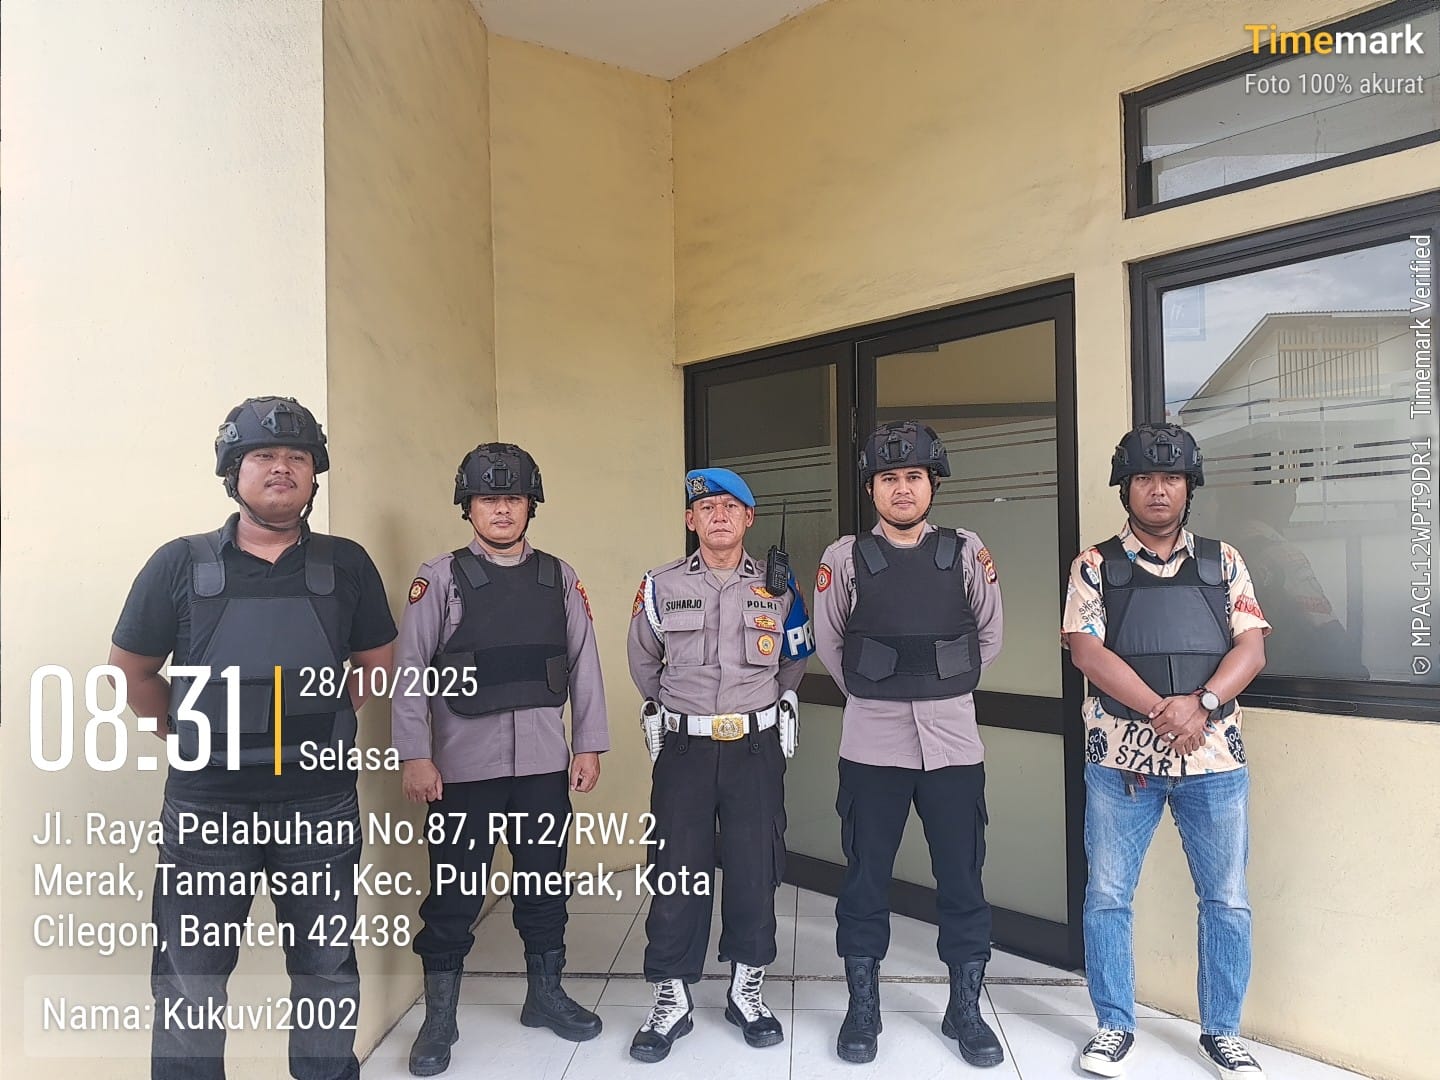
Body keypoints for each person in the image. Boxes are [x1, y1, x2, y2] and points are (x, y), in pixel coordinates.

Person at [108, 395, 397, 1080]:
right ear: (233, 471)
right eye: (263, 455)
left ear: (315, 475)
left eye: (297, 456)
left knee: (326, 969)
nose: (281, 467)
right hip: (206, 808)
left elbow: (375, 666)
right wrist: (191, 731)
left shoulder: (347, 564)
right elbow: (132, 671)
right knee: (190, 978)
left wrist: (315, 723)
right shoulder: (179, 564)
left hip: (319, 805)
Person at [393, 442, 610, 1077]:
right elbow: (410, 672)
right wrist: (415, 755)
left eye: (513, 498)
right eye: (488, 499)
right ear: (468, 507)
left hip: (543, 765)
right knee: (455, 893)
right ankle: (440, 1018)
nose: (502, 509)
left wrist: (589, 743)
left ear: (530, 505)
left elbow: (584, 663)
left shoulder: (559, 577)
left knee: (544, 885)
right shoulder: (439, 579)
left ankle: (545, 996)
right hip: (463, 770)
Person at [1062, 423, 1269, 1080]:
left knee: (1227, 899)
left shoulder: (1223, 560)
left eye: (1171, 478)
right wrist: (1164, 709)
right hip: (1121, 762)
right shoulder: (1094, 565)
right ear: (1126, 488)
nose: (1158, 489)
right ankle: (1113, 1026)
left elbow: (1252, 649)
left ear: (1188, 487)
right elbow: (1087, 651)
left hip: (1214, 763)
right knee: (1108, 895)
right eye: (1145, 478)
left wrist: (1200, 704)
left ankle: (1223, 1033)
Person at [814, 420, 1005, 1069]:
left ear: (933, 484)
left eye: (914, 476)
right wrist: (880, 691)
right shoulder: (843, 558)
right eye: (889, 477)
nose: (902, 488)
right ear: (871, 488)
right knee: (865, 879)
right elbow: (832, 645)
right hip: (872, 748)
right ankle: (863, 1008)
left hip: (954, 746)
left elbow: (989, 636)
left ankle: (965, 1010)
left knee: (963, 880)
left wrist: (936, 687)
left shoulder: (966, 550)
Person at [625, 467, 812, 1063]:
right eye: (707, 508)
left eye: (731, 507)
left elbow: (794, 657)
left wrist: (769, 703)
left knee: (755, 866)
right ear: (691, 520)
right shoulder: (660, 585)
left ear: (749, 518)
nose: (720, 516)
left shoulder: (778, 585)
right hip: (685, 748)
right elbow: (643, 660)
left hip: (754, 748)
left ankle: (746, 989)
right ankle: (671, 995)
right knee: (677, 870)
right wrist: (677, 709)